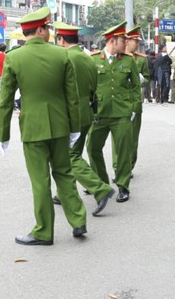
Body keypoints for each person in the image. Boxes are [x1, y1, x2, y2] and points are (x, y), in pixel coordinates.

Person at [0, 6, 86, 246]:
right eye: (46, 28)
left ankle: (44, 231)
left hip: (33, 128)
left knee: (40, 180)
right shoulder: (61, 54)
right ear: (39, 30)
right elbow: (72, 96)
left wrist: (3, 134)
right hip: (60, 125)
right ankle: (78, 220)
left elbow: (5, 100)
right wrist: (75, 126)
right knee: (64, 173)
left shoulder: (14, 57)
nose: (48, 31)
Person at [52, 22, 115, 216]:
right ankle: (63, 193)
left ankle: (100, 188)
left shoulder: (64, 57)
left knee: (69, 157)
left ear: (61, 39)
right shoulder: (89, 58)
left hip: (71, 113)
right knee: (74, 154)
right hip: (87, 112)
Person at [86, 21, 141, 203]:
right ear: (112, 40)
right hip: (99, 113)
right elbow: (88, 87)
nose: (126, 43)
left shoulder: (128, 61)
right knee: (92, 148)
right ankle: (101, 184)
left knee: (124, 151)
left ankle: (123, 186)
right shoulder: (93, 60)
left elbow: (135, 87)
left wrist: (133, 108)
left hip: (121, 113)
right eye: (123, 40)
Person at [126, 26, 149, 171]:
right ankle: (119, 167)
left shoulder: (141, 60)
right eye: (135, 41)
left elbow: (147, 79)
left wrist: (139, 79)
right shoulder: (118, 57)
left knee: (133, 138)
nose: (137, 43)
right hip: (120, 102)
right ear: (127, 41)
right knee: (120, 139)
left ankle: (129, 165)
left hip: (135, 101)